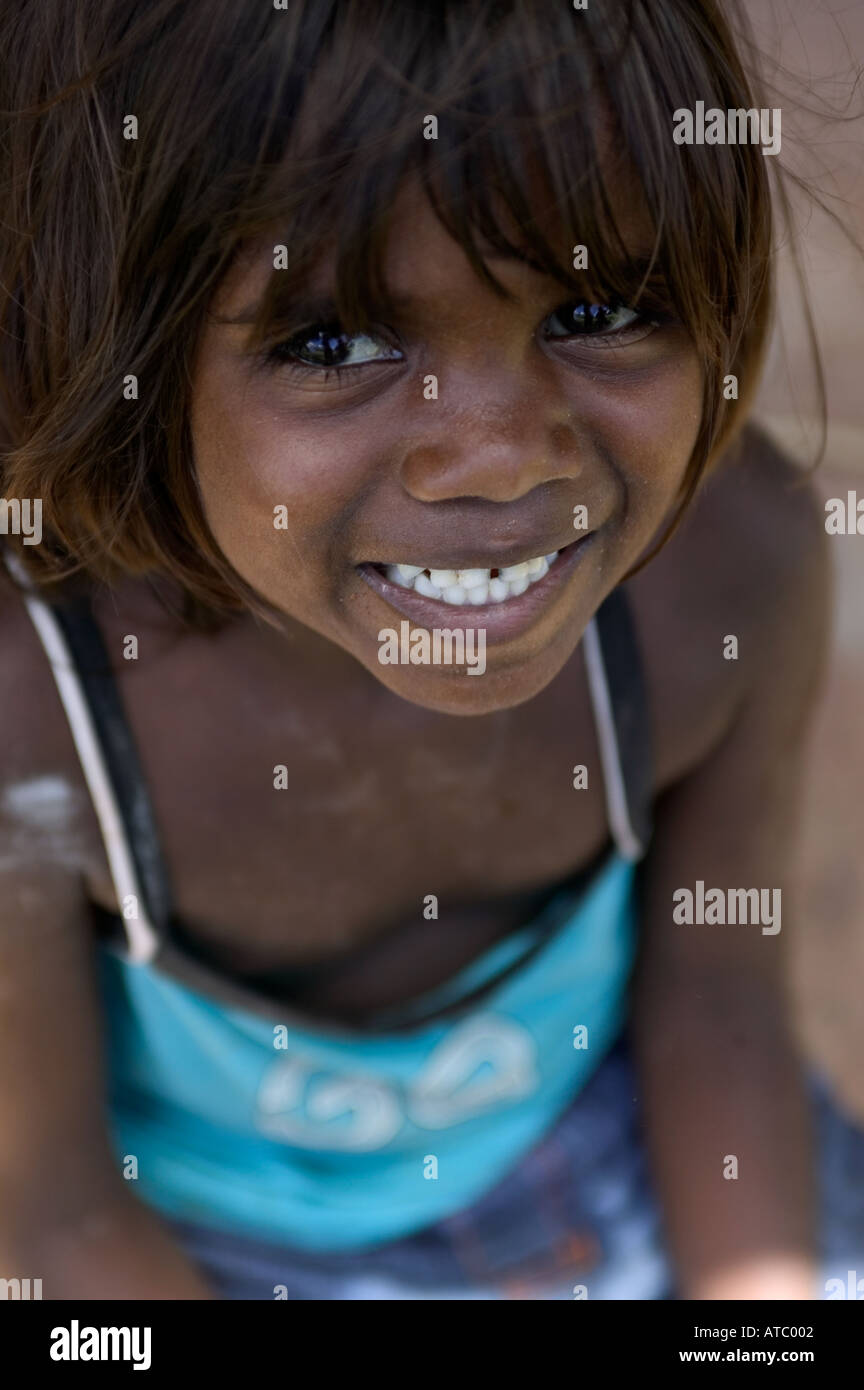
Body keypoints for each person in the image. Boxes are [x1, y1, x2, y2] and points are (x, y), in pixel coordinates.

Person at [1, 0, 862, 1300]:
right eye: (333, 343)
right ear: (106, 344)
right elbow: (52, 1205)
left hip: (616, 1160)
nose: (502, 451)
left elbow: (721, 1003)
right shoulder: (34, 703)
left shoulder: (729, 576)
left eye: (600, 305)